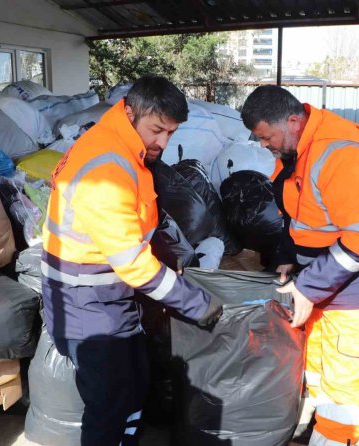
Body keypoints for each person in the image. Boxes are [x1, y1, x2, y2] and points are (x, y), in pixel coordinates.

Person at [41, 76, 223, 446]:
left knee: (136, 384)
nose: (162, 142)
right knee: (110, 406)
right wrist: (198, 303)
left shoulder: (125, 150)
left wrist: (168, 255)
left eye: (171, 133)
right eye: (157, 130)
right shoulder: (106, 165)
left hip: (108, 297)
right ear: (129, 112)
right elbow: (132, 262)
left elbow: (132, 225)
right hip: (85, 303)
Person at [241, 85, 359, 446]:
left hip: (357, 289)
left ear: (293, 121)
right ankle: (313, 428)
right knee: (317, 363)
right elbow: (298, 215)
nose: (264, 146)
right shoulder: (297, 148)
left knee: (342, 379)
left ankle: (336, 437)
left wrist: (307, 289)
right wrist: (286, 259)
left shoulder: (341, 156)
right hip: (323, 280)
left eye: (266, 137)